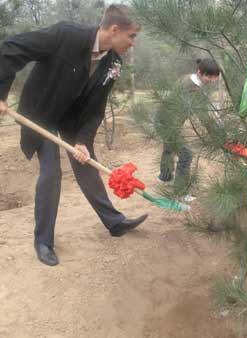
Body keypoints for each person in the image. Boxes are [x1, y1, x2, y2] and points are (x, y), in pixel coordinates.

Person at [0, 4, 148, 266]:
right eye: (132, 36)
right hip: (41, 113)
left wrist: (82, 140)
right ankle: (43, 241)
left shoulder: (113, 63)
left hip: (72, 119)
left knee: (86, 164)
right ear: (114, 30)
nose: (133, 43)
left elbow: (96, 109)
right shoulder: (66, 35)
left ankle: (114, 222)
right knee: (51, 172)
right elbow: (12, 48)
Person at [155, 58, 224, 202]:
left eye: (214, 77)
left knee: (169, 148)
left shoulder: (188, 78)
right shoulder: (192, 88)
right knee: (186, 154)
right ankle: (180, 192)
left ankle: (164, 177)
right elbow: (205, 118)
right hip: (168, 123)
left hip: (163, 119)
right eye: (209, 76)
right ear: (200, 72)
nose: (211, 80)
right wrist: (219, 136)